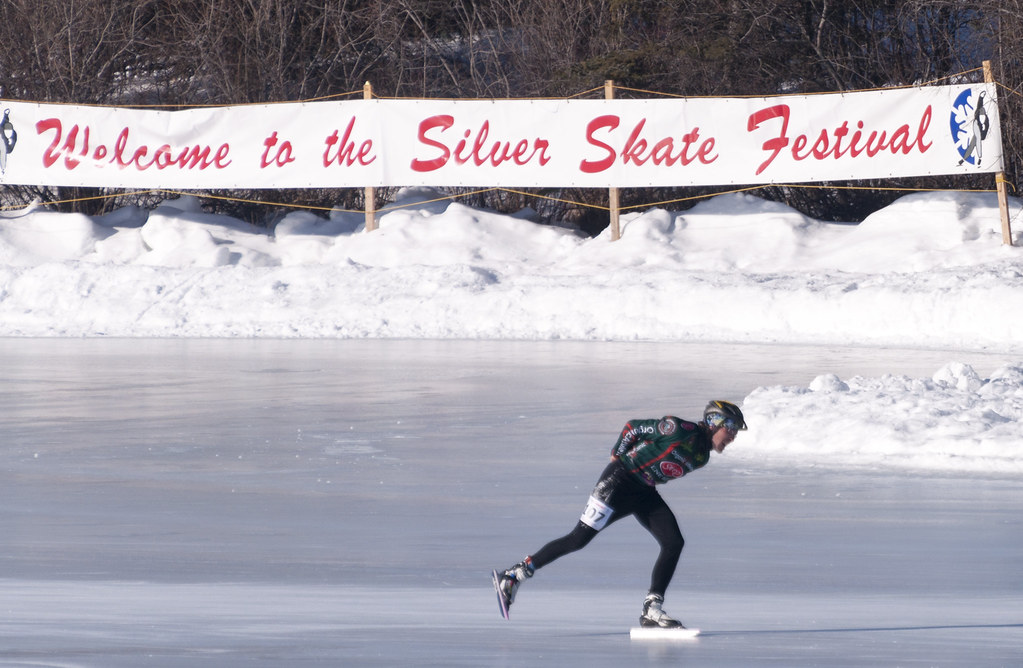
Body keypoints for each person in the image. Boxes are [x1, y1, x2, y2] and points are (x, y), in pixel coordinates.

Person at [494, 400, 747, 628]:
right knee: (578, 539)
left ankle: (652, 609)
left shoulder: (702, 457)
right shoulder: (679, 429)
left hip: (644, 492)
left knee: (673, 543)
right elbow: (633, 428)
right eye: (731, 428)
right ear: (715, 422)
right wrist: (617, 455)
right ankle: (515, 575)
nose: (733, 436)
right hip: (619, 482)